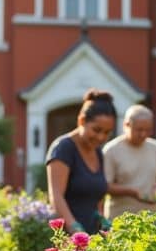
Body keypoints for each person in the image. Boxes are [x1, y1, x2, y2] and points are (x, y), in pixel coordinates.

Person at [46, 90, 117, 234]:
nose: (101, 137)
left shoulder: (97, 152)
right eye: (96, 130)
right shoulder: (63, 148)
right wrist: (74, 228)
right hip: (67, 237)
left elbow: (96, 196)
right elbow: (56, 195)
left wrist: (102, 221)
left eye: (107, 132)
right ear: (81, 121)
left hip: (92, 235)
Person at [102, 105, 156, 220]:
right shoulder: (111, 150)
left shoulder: (155, 147)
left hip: (151, 218)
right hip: (120, 219)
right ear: (126, 125)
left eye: (148, 130)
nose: (143, 134)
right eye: (139, 129)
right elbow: (105, 186)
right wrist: (132, 192)